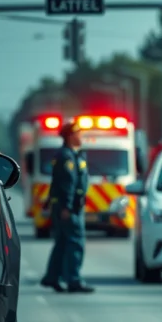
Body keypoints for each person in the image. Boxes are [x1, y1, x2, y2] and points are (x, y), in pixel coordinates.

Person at [39, 120, 95, 293]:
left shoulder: (70, 155)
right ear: (70, 136)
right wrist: (67, 207)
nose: (81, 136)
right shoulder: (67, 157)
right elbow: (67, 184)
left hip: (66, 206)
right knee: (75, 242)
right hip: (69, 208)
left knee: (62, 242)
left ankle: (52, 277)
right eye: (78, 133)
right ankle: (74, 280)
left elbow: (57, 182)